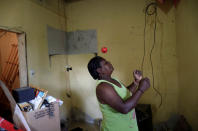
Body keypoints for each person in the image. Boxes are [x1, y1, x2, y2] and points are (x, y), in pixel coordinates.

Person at [87, 56, 150, 131]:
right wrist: (141, 89)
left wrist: (136, 82)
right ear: (99, 70)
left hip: (128, 126)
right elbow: (124, 108)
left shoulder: (113, 80)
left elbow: (126, 93)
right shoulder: (103, 87)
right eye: (106, 63)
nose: (109, 63)